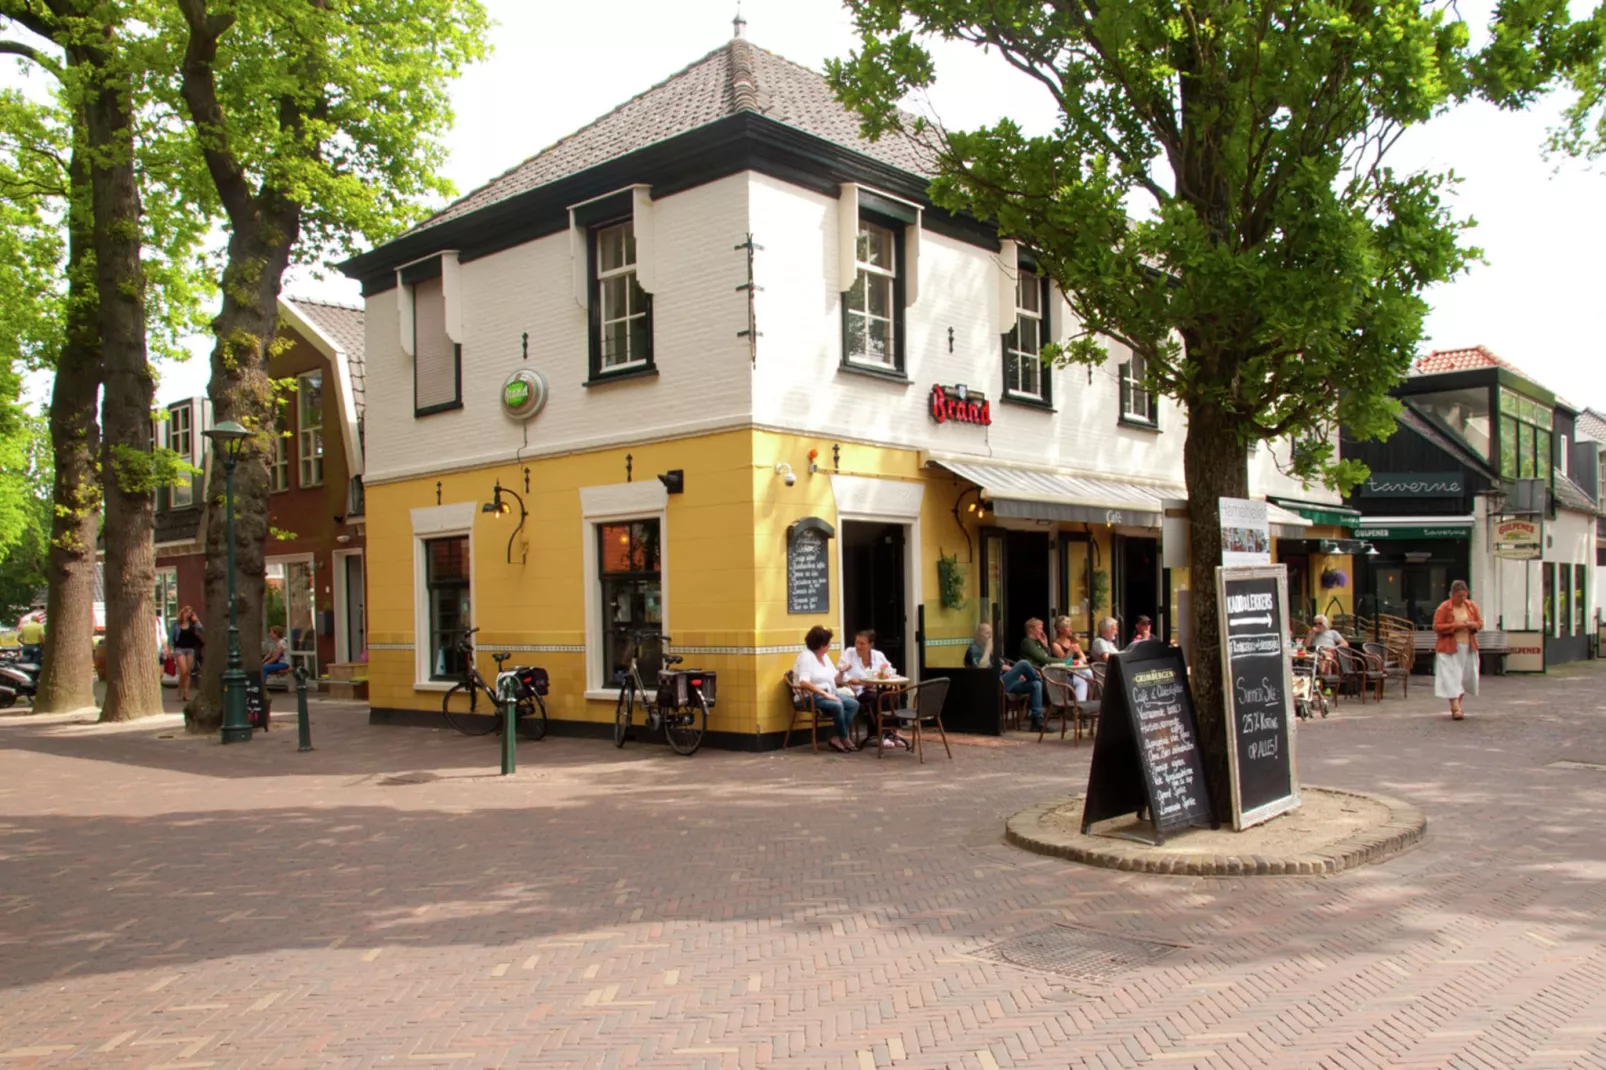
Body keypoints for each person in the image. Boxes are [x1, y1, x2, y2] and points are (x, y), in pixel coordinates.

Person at [792, 626, 860, 754]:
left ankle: (837, 737)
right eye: (828, 643)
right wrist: (824, 694)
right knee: (837, 705)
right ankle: (844, 738)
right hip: (808, 697)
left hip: (829, 693)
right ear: (821, 645)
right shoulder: (806, 657)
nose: (830, 646)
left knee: (853, 704)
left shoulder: (825, 657)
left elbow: (836, 679)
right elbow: (804, 681)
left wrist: (841, 672)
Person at [966, 622, 1043, 730]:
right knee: (1024, 663)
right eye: (986, 633)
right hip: (992, 684)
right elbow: (981, 668)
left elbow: (1002, 666)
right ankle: (1039, 677)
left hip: (1005, 681)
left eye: (991, 633)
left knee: (1036, 684)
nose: (989, 636)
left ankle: (1036, 721)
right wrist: (988, 649)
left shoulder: (988, 649)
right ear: (978, 634)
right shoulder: (974, 649)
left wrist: (1017, 673)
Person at [838, 629, 906, 749]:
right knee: (877, 698)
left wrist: (889, 682)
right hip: (859, 691)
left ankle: (893, 733)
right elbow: (841, 672)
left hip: (877, 689)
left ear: (870, 645)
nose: (858, 646)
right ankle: (883, 734)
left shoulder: (878, 656)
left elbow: (889, 670)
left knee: (891, 695)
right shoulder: (849, 653)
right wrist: (859, 682)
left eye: (862, 643)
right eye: (856, 642)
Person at [1433, 580, 1482, 721]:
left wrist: (1475, 625)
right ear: (1453, 595)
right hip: (1449, 647)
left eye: (1465, 596)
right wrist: (1456, 626)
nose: (1463, 599)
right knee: (1451, 676)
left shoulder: (1471, 606)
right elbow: (1437, 626)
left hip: (1468, 646)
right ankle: (1455, 708)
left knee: (1465, 676)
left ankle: (1457, 706)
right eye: (1460, 596)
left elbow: (1480, 622)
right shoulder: (1444, 608)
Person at [1017, 618, 1057, 731]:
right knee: (1042, 681)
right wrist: (1064, 662)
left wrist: (1045, 645)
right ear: (1031, 629)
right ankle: (1053, 708)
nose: (1042, 631)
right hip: (1032, 673)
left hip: (1042, 671)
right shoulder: (1027, 642)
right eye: (1039, 628)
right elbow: (1042, 658)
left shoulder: (1038, 642)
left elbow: (1046, 656)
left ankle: (1054, 709)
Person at [170, 606, 204, 703]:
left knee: (188, 672)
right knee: (183, 671)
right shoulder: (176, 624)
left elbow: (202, 630)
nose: (188, 615)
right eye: (187, 613)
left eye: (190, 613)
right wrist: (169, 648)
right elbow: (171, 637)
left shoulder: (193, 624)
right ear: (183, 613)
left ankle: (185, 693)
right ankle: (179, 690)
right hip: (179, 649)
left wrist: (196, 620)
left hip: (190, 649)